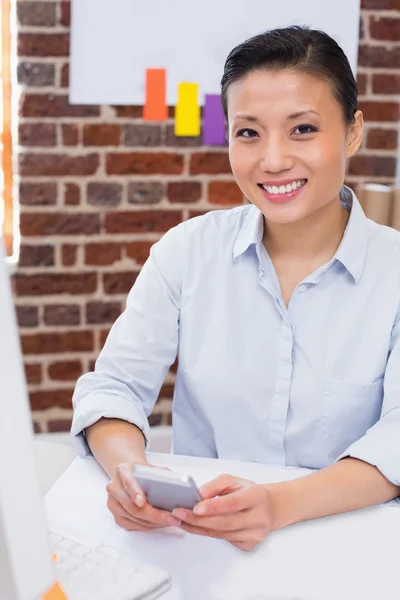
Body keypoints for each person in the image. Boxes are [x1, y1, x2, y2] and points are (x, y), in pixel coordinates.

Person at [71, 25, 400, 552]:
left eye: (303, 129)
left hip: (346, 546)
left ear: (354, 131)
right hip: (202, 544)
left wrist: (277, 504)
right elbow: (112, 390)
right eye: (248, 132)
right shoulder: (187, 251)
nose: (272, 160)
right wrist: (133, 476)